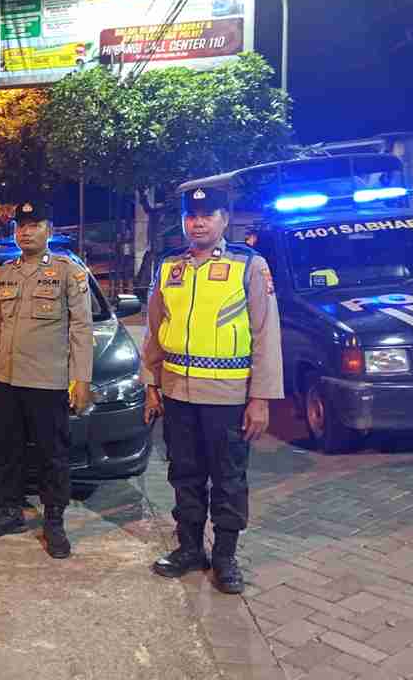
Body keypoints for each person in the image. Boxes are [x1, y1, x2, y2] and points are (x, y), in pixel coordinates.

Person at [141, 186, 284, 594]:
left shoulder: (249, 265)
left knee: (228, 478)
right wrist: (151, 383)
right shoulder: (169, 266)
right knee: (184, 475)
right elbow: (155, 328)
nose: (198, 223)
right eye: (191, 216)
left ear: (224, 219)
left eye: (207, 215)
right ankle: (189, 549)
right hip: (178, 395)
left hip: (227, 397)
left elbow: (266, 335)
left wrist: (260, 398)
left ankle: (224, 557)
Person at [0, 200, 95, 559]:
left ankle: (54, 520)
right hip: (6, 379)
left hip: (47, 382)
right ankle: (10, 511)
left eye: (34, 225)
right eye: (21, 226)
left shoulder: (68, 271)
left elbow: (81, 328)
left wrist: (82, 379)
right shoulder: (3, 274)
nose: (25, 232)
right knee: (7, 449)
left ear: (49, 231)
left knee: (52, 455)